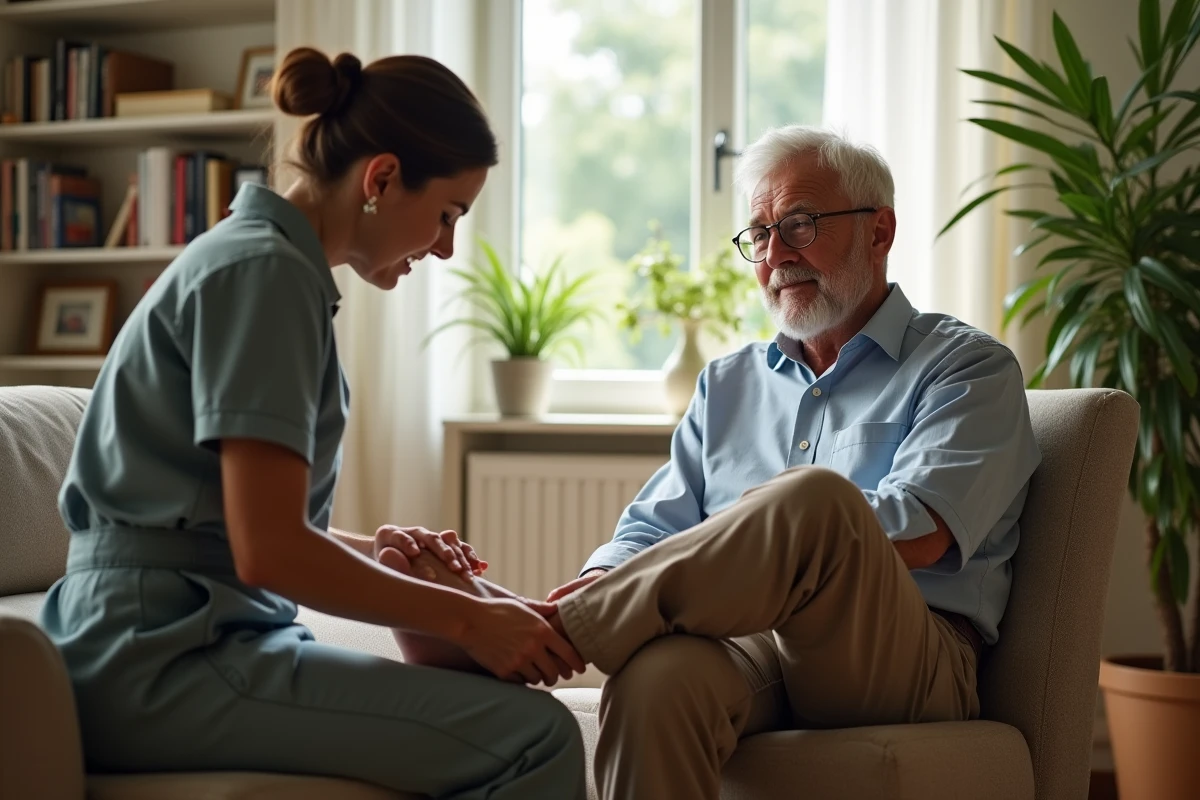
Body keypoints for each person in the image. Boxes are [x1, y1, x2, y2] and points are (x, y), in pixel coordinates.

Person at [39, 47, 587, 800]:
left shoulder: (263, 264)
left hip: (178, 636)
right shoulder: (264, 275)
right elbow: (269, 550)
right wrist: (467, 620)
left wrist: (379, 554)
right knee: (536, 737)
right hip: (161, 657)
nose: (446, 247)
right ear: (381, 179)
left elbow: (229, 531)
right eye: (447, 215)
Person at [533, 125, 1043, 798]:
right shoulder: (726, 384)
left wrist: (777, 534)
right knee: (656, 683)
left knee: (816, 502)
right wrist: (601, 575)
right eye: (759, 233)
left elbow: (920, 533)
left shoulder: (966, 367)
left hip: (903, 652)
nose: (776, 254)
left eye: (800, 225)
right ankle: (581, 614)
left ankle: (570, 629)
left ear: (879, 231)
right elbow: (651, 529)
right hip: (753, 644)